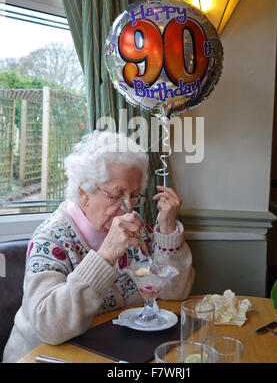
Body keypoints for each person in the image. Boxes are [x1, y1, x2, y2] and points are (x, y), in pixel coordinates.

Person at [3, 131, 194, 363]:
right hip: (42, 357)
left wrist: (167, 230)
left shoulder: (136, 229)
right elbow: (50, 327)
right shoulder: (50, 240)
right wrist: (106, 255)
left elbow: (174, 292)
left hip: (112, 352)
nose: (129, 208)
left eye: (135, 195)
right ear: (84, 193)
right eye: (116, 195)